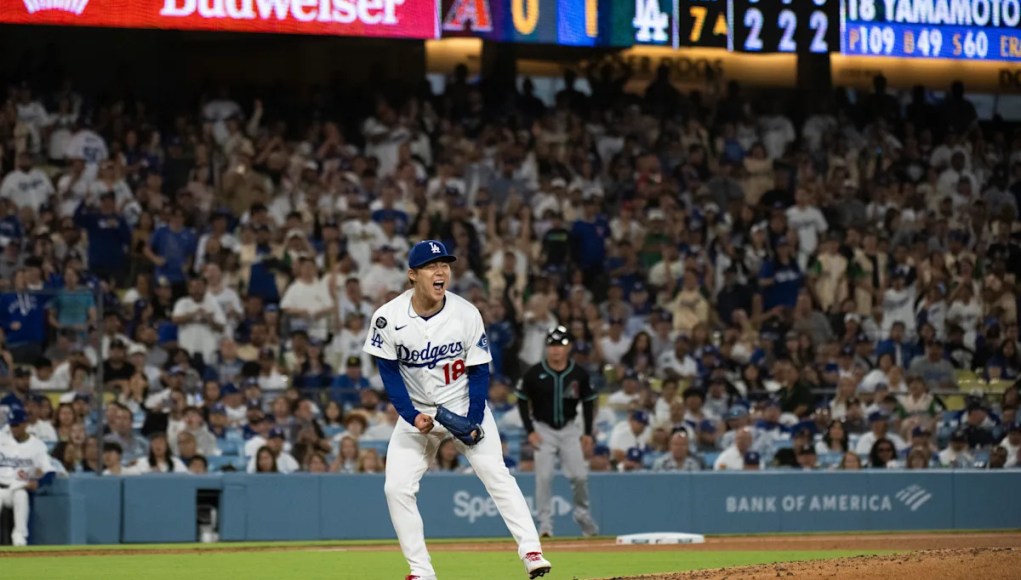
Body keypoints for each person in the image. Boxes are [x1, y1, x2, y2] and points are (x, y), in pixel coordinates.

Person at [363, 240, 550, 580]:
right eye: (432, 266)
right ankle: (421, 572)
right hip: (419, 412)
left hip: (463, 404)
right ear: (412, 275)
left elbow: (479, 370)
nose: (441, 271)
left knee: (497, 474)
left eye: (445, 265)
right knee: (396, 487)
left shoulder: (466, 313)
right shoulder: (387, 318)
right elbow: (388, 373)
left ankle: (532, 552)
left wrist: (474, 420)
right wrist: (410, 415)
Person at [516, 325, 599, 538]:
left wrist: (588, 433)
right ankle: (545, 525)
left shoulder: (578, 373)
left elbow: (588, 403)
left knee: (580, 476)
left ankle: (582, 514)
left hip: (570, 429)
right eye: (552, 345)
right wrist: (530, 430)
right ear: (546, 348)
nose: (555, 350)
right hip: (543, 429)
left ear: (569, 347)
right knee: (543, 478)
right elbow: (522, 401)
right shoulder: (535, 373)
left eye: (560, 345)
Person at [0, 406, 56, 546]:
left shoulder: (37, 445)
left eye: (16, 425)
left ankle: (19, 539)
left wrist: (39, 483)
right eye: (11, 425)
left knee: (21, 496)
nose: (13, 428)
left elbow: (50, 471)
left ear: (25, 424)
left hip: (19, 486)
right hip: (0, 487)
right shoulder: (2, 439)